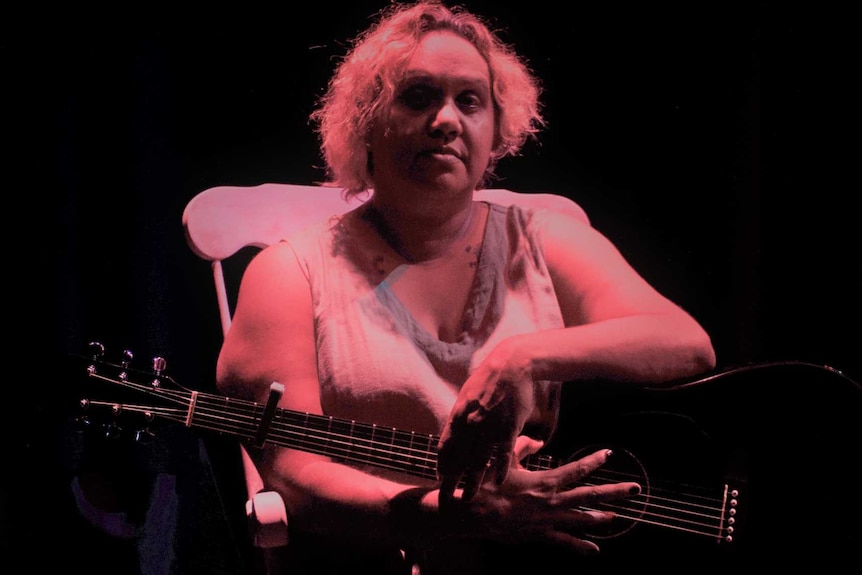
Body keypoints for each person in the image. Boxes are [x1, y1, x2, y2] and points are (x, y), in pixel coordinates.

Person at [216, 1, 717, 573]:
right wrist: (454, 515)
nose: (448, 120)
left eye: (469, 101)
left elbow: (686, 345)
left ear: (496, 130)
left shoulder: (546, 241)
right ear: (366, 123)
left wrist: (521, 358)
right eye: (419, 96)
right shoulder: (290, 273)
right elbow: (294, 474)